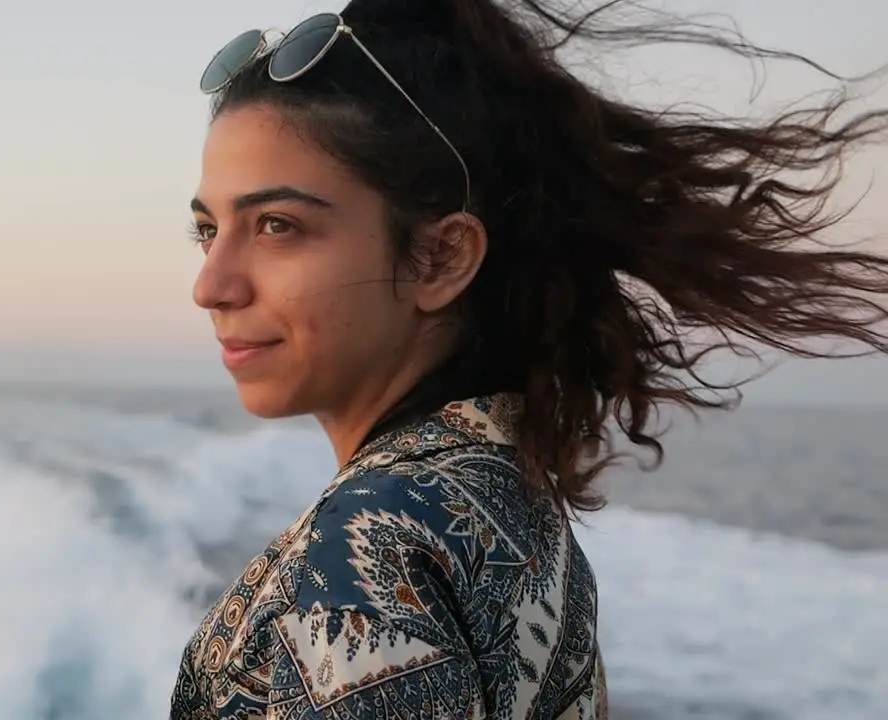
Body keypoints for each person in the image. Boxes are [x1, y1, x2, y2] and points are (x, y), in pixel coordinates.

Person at [168, 0, 888, 717]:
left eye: (277, 225)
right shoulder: (511, 499)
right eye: (209, 229)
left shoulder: (359, 559)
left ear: (441, 257)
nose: (212, 285)